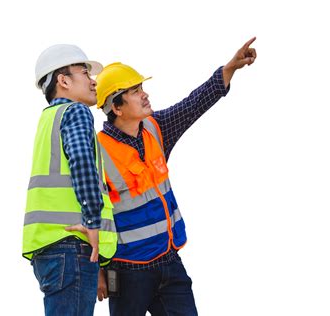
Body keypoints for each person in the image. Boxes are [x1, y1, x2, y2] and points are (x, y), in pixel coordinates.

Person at [95, 38, 257, 315]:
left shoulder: (155, 129)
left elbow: (192, 105)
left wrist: (229, 69)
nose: (144, 94)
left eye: (141, 87)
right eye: (134, 91)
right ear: (117, 108)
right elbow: (90, 212)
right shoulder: (97, 152)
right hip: (128, 270)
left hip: (169, 261)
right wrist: (97, 269)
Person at [22, 44, 117, 316]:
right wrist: (92, 221)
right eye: (84, 73)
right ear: (63, 80)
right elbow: (82, 163)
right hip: (72, 244)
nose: (93, 80)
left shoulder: (48, 119)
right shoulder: (75, 112)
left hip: (49, 248)